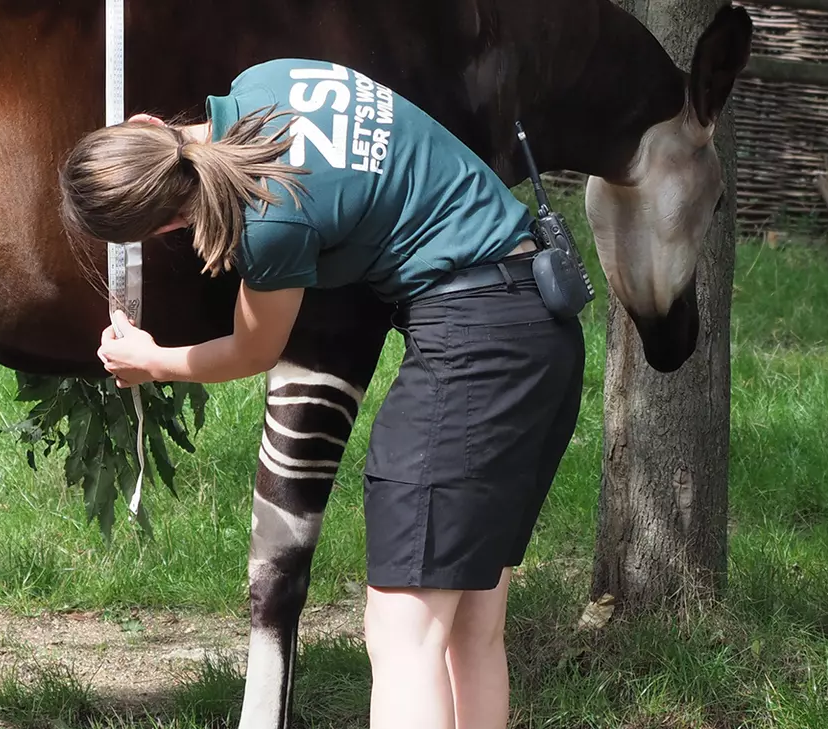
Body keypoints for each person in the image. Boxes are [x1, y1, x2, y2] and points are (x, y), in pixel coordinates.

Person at [60, 58, 585, 729]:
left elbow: (254, 350)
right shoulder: (267, 79)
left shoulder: (268, 221)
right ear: (149, 124)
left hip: (475, 349)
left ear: (161, 228)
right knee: (469, 627)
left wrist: (152, 358)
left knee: (402, 635)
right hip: (539, 323)